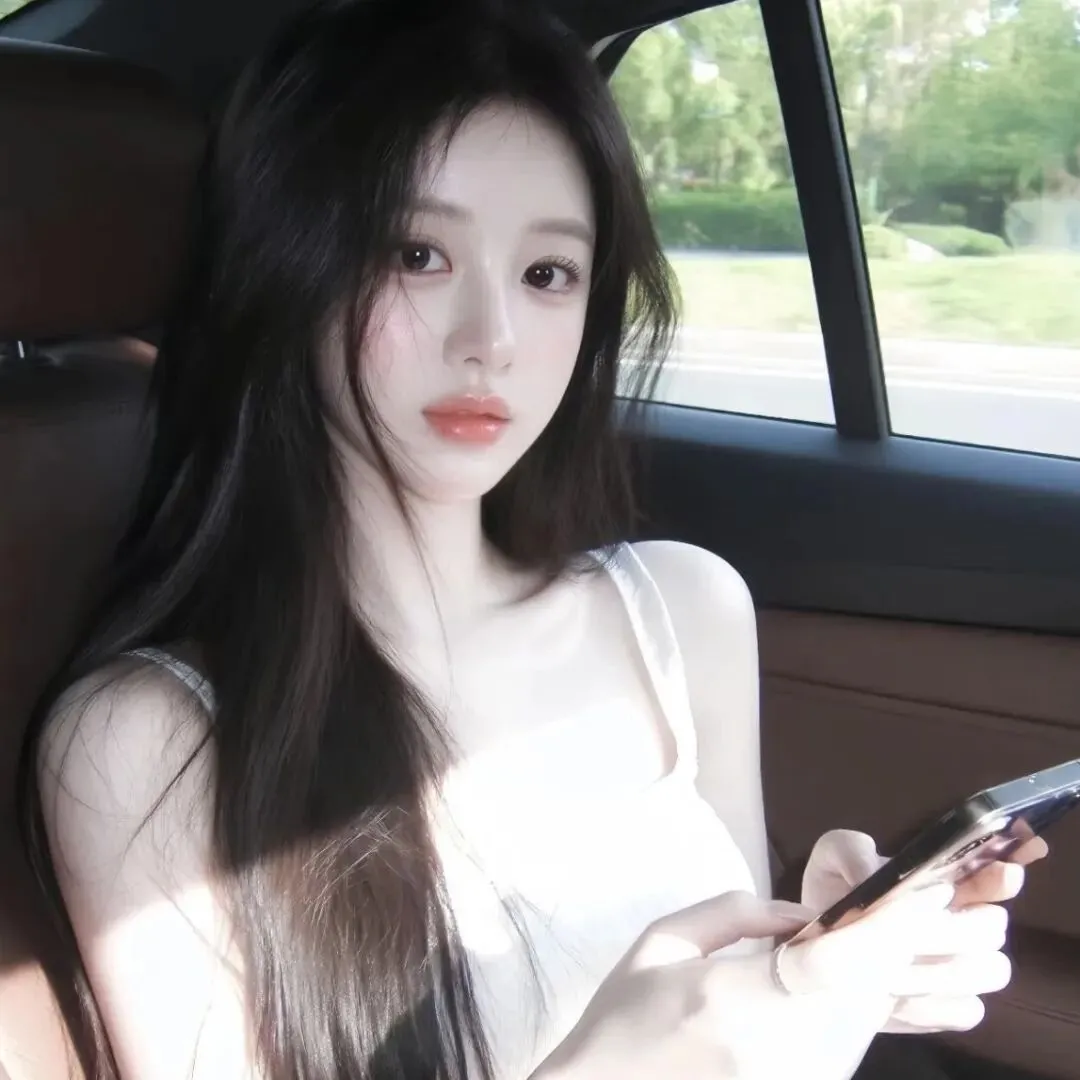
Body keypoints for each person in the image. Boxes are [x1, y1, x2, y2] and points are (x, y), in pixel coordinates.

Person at [16, 1, 1047, 1078]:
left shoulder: (683, 610)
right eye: (418, 254)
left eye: (547, 273)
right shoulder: (144, 743)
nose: (492, 340)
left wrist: (819, 975)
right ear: (289, 270)